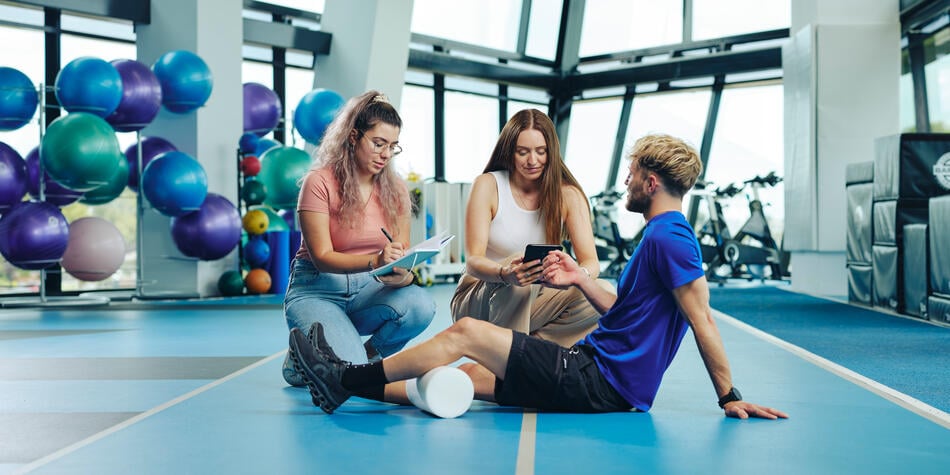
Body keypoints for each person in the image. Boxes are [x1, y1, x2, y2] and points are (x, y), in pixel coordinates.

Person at [287, 133, 788, 421]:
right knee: (470, 377)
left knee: (467, 334)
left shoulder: (670, 238)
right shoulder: (660, 234)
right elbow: (625, 313)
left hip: (601, 382)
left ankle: (342, 377)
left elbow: (702, 320)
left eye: (633, 174)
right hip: (593, 367)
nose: (627, 182)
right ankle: (348, 388)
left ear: (651, 182)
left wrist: (729, 395)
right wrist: (579, 278)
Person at [281, 90, 435, 387]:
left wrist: (402, 273)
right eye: (378, 143)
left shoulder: (396, 189)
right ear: (353, 137)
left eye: (393, 147)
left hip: (370, 288)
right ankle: (304, 358)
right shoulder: (319, 182)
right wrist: (376, 260)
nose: (386, 154)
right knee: (349, 373)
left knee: (420, 306)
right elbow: (322, 257)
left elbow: (401, 258)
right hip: (318, 288)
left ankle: (356, 359)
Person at [450, 108, 612, 347]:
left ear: (551, 152)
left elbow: (591, 263)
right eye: (522, 152)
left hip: (533, 298)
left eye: (541, 151)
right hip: (478, 296)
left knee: (602, 291)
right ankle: (508, 358)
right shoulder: (488, 185)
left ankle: (527, 352)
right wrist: (505, 274)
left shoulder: (568, 195)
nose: (532, 161)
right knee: (524, 270)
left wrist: (578, 276)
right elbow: (473, 261)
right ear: (509, 152)